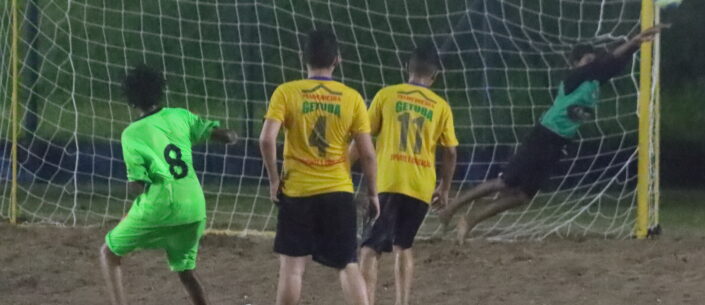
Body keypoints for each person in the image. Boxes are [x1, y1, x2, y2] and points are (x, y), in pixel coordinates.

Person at [438, 25, 667, 245]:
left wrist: (636, 44)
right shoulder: (574, 78)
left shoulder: (594, 80)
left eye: (592, 60)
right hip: (544, 135)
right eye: (586, 60)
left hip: (559, 144)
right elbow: (608, 61)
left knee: (523, 196)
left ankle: (470, 220)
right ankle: (453, 206)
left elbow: (612, 64)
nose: (591, 63)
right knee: (504, 181)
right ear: (575, 63)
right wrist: (632, 42)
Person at [100, 65, 238, 305]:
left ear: (131, 101)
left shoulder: (132, 134)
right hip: (195, 207)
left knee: (109, 253)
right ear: (160, 92)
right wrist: (230, 135)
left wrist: (137, 212)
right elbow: (222, 135)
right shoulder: (180, 116)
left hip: (161, 206)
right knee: (185, 272)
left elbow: (137, 184)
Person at [259, 29, 378, 305]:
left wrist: (274, 180)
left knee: (292, 267)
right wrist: (373, 193)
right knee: (347, 264)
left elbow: (266, 139)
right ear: (337, 60)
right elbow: (368, 154)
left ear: (304, 59)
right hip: (338, 191)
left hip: (298, 191)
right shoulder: (352, 98)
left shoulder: (286, 92)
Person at [354, 45, 458, 305]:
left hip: (387, 182)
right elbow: (451, 153)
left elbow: (363, 140)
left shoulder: (387, 95)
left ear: (407, 69)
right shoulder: (440, 106)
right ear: (435, 76)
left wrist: (341, 166)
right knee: (404, 246)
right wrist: (444, 188)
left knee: (369, 248)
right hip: (420, 186)